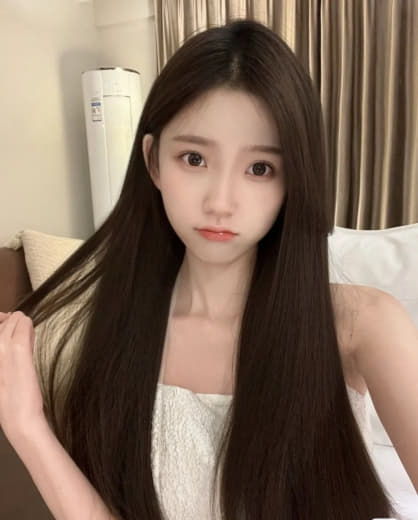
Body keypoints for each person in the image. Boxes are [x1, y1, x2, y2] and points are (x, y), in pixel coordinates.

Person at [0, 18, 417, 520]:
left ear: (293, 181)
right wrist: (26, 426)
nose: (221, 201)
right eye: (194, 158)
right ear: (153, 161)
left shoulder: (360, 324)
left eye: (260, 168)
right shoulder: (114, 331)